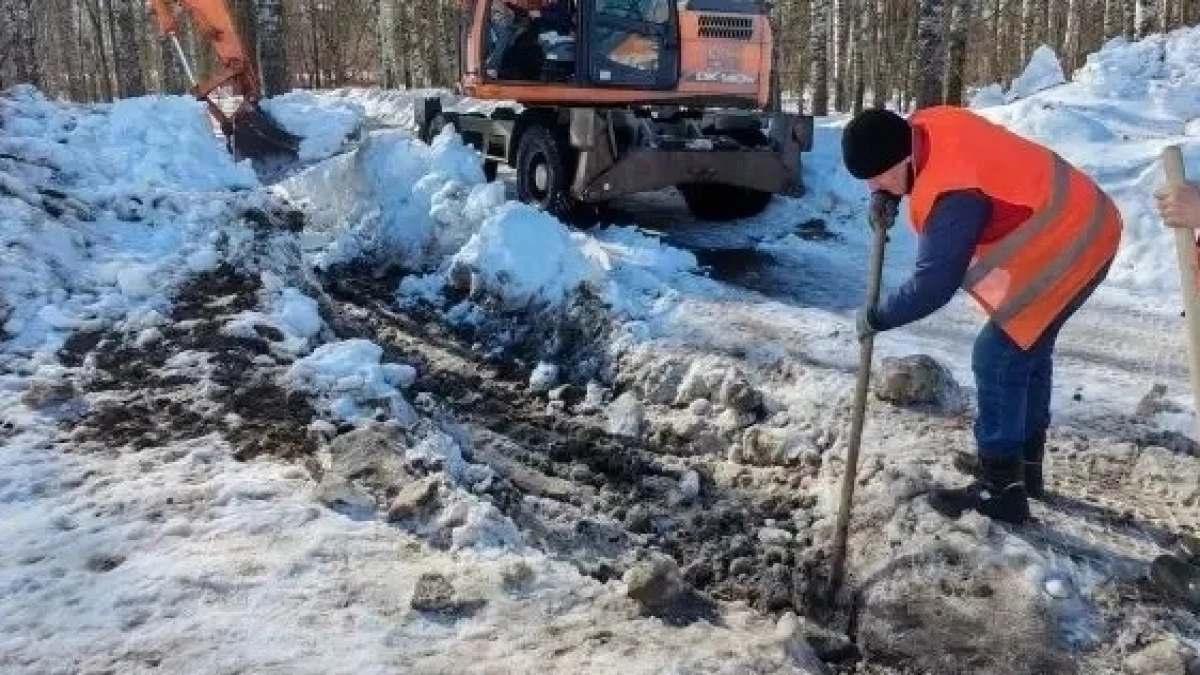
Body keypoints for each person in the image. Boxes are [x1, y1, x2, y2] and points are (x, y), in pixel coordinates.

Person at [842, 106, 1124, 525]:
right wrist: (886, 193)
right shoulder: (926, 127)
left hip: (1073, 242)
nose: (872, 186)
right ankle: (1024, 468)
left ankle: (1001, 489)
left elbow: (932, 286)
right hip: (1083, 217)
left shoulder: (954, 193)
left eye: (878, 178)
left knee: (997, 356)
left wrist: (877, 316)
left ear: (903, 159)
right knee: (1025, 348)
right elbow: (904, 167)